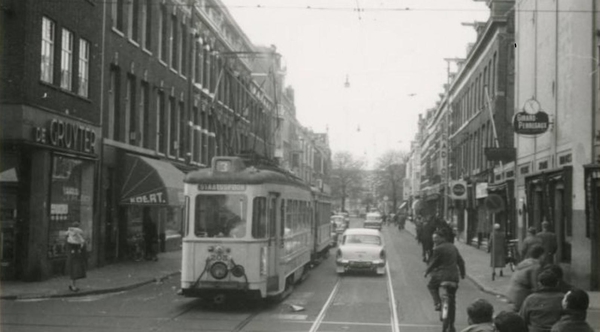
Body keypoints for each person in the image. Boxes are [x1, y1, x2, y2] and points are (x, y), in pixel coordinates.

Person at [424, 230, 466, 332]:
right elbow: (460, 261)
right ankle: (451, 325)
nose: (434, 240)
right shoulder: (453, 247)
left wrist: (427, 271)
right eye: (433, 238)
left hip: (442, 276)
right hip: (453, 277)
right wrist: (462, 273)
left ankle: (437, 303)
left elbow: (433, 262)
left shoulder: (438, 249)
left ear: (442, 238)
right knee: (452, 302)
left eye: (436, 238)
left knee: (431, 286)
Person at [506, 244, 544, 312]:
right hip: (522, 295)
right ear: (541, 255)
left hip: (512, 292)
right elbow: (535, 285)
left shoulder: (525, 263)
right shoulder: (535, 266)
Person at [65, 221, 86, 292]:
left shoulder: (69, 235)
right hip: (75, 256)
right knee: (74, 271)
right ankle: (73, 286)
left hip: (72, 255)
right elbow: (81, 243)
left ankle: (72, 285)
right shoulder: (76, 237)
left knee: (73, 271)